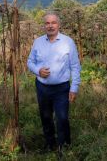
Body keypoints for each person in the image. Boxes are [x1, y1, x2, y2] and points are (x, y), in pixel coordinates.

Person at [27, 12, 81, 154]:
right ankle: (50, 144)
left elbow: (75, 66)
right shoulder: (38, 42)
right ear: (44, 26)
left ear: (59, 24)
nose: (50, 26)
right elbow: (30, 62)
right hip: (42, 87)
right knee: (46, 117)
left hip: (62, 89)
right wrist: (38, 70)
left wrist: (74, 88)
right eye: (47, 23)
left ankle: (64, 146)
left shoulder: (68, 42)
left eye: (53, 22)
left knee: (62, 118)